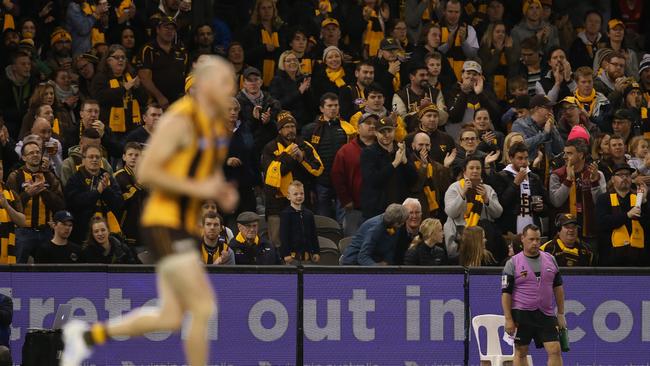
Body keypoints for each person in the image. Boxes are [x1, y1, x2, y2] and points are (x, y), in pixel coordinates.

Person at [61, 56, 239, 366]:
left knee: (171, 316)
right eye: (224, 82)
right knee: (202, 307)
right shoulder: (179, 119)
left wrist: (215, 187)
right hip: (164, 222)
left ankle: (87, 337)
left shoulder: (212, 126)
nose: (230, 89)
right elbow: (147, 172)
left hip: (181, 224)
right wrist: (203, 189)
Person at [502, 224, 566, 366]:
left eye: (538, 239)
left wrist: (561, 313)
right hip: (522, 313)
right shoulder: (512, 263)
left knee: (555, 349)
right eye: (531, 239)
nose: (535, 243)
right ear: (523, 239)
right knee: (521, 351)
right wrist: (508, 318)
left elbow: (558, 288)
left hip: (546, 313)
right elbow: (506, 294)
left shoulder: (550, 259)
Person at [261, 110, 323, 247]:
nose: (290, 130)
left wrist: (302, 159)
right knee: (277, 244)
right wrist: (289, 156)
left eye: (293, 126)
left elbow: (318, 169)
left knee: (301, 242)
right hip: (276, 205)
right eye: (286, 127)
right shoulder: (270, 148)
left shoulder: (305, 146)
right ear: (279, 130)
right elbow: (273, 174)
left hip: (301, 203)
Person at [7, 140, 63, 263]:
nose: (35, 155)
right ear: (23, 157)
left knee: (47, 270)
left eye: (38, 152)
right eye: (31, 153)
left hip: (46, 231)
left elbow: (60, 204)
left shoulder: (49, 176)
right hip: (23, 232)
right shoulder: (15, 176)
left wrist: (43, 190)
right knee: (18, 268)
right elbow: (9, 205)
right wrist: (28, 194)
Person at [301, 93, 356, 218]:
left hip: (342, 181)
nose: (333, 108)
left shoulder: (347, 128)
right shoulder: (310, 129)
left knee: (343, 219)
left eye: (336, 105)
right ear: (321, 109)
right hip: (321, 180)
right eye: (329, 105)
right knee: (323, 218)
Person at [444, 155, 503, 260]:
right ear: (464, 171)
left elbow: (498, 213)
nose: (475, 171)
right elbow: (451, 213)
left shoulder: (488, 189)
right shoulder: (454, 188)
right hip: (460, 235)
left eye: (478, 168)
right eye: (471, 168)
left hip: (483, 237)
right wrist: (462, 194)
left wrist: (486, 199)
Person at [64, 144, 123, 244]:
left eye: (97, 157)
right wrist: (97, 192)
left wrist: (106, 190)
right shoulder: (75, 179)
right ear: (83, 160)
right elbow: (74, 203)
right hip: (82, 232)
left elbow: (119, 203)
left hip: (108, 230)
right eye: (91, 157)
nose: (94, 160)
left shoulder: (107, 177)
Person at [360, 116, 416, 220]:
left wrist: (405, 162)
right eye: (382, 132)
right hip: (377, 210)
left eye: (389, 131)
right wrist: (394, 164)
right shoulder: (368, 153)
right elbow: (373, 181)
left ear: (394, 131)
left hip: (400, 207)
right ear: (376, 133)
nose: (386, 135)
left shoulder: (402, 150)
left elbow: (414, 180)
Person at [549, 138, 606, 240]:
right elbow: (556, 202)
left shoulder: (596, 174)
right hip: (564, 233)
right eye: (564, 153)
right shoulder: (557, 175)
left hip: (590, 232)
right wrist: (568, 180)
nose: (565, 157)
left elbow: (601, 204)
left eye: (569, 153)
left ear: (581, 155)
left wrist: (594, 183)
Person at [331, 113, 377, 236]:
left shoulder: (384, 148)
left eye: (374, 123)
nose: (372, 126)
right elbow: (337, 176)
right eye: (368, 123)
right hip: (355, 208)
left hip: (378, 207)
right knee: (352, 243)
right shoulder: (345, 151)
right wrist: (346, 200)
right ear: (358, 127)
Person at [596, 163, 650, 266]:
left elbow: (647, 226)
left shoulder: (638, 198)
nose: (625, 178)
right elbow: (602, 223)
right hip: (611, 258)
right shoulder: (604, 199)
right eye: (620, 175)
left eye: (628, 175)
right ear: (612, 179)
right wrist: (627, 215)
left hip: (638, 258)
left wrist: (644, 202)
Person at [91, 44, 146, 138]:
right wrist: (124, 88)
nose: (120, 60)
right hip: (110, 128)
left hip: (132, 126)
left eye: (123, 57)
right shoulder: (100, 78)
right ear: (108, 61)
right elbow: (101, 98)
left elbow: (144, 100)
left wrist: (137, 88)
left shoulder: (131, 76)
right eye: (116, 57)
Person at [493, 141, 546, 235]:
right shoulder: (500, 177)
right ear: (511, 158)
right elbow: (501, 204)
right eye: (520, 158)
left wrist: (541, 208)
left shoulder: (534, 178)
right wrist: (515, 183)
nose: (524, 162)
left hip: (532, 227)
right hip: (510, 228)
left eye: (526, 158)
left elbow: (547, 204)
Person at [136, 16, 188, 108]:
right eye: (166, 28)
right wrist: (159, 97)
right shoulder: (148, 49)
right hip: (156, 103)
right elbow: (144, 77)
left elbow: (186, 75)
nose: (169, 31)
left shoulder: (181, 50)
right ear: (158, 30)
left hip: (178, 102)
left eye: (172, 29)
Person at [446, 60, 500, 140]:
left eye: (474, 74)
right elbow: (454, 117)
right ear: (462, 75)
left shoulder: (487, 90)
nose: (471, 77)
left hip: (484, 137)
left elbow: (495, 115)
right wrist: (464, 93)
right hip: (459, 136)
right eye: (468, 73)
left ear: (480, 77)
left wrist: (480, 94)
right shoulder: (453, 90)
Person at [340, 203, 409, 265]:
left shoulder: (393, 225)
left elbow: (390, 248)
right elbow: (363, 257)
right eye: (402, 222)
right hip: (353, 264)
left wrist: (387, 262)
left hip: (374, 259)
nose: (403, 224)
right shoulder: (375, 229)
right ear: (396, 223)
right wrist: (378, 267)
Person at [511, 94, 564, 168]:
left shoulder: (549, 125)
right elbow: (522, 145)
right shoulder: (519, 124)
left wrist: (552, 129)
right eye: (548, 108)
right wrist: (544, 134)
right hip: (528, 169)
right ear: (537, 109)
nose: (551, 112)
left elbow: (560, 149)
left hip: (548, 170)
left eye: (551, 109)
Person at [409, 132, 452, 220]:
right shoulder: (408, 164)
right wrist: (424, 166)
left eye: (427, 145)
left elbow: (445, 188)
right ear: (413, 146)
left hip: (434, 212)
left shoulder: (436, 165)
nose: (424, 148)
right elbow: (415, 187)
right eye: (420, 145)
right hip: (415, 212)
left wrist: (446, 167)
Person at [114, 142, 146, 247]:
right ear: (124, 157)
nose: (133, 158)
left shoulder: (147, 176)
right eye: (130, 154)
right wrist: (138, 185)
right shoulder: (119, 176)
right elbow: (122, 202)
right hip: (126, 226)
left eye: (137, 155)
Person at [279, 180, 320, 265]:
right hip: (292, 257)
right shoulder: (286, 214)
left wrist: (316, 251)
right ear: (288, 196)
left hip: (308, 257)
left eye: (302, 193)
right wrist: (286, 254)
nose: (299, 196)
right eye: (295, 194)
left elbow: (313, 234)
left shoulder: (309, 214)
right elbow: (284, 235)